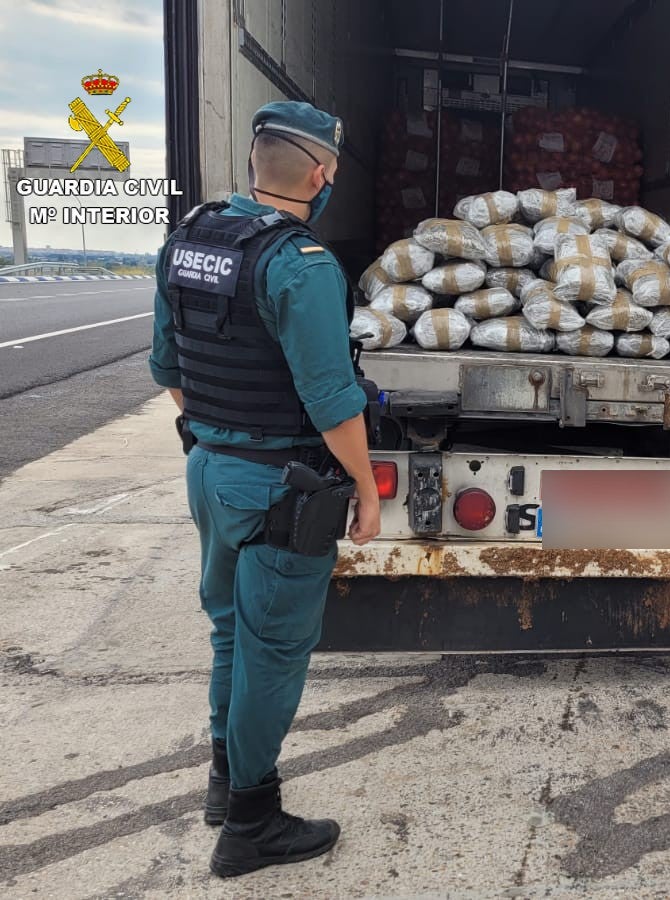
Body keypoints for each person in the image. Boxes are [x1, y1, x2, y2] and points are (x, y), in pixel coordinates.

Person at [149, 101, 381, 877]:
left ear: (256, 163)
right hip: (281, 488)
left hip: (209, 469)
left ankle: (225, 782)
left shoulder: (188, 241)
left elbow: (167, 369)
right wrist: (365, 488)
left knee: (229, 632)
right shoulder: (300, 264)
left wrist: (222, 431)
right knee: (273, 651)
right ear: (320, 175)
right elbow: (332, 400)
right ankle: (251, 824)